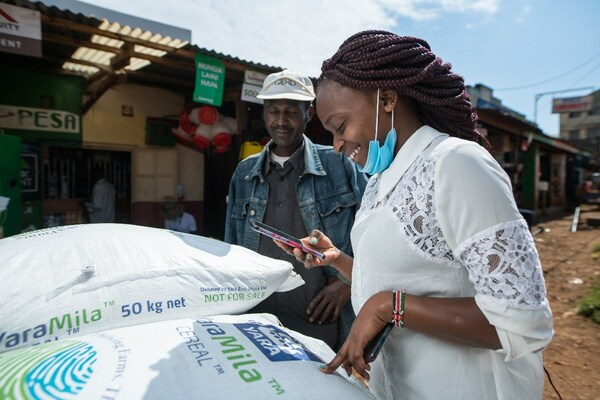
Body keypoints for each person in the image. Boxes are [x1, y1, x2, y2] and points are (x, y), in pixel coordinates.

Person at [276, 31, 554, 400]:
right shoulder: (380, 181)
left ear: (387, 99)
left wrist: (390, 307)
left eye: (340, 127)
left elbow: (522, 322)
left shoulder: (456, 164)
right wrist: (339, 260)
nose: (337, 145)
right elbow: (411, 275)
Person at [224, 70, 368, 350]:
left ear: (309, 113)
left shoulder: (340, 164)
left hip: (324, 322)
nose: (280, 121)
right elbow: (232, 249)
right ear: (263, 114)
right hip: (260, 320)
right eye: (273, 111)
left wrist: (347, 283)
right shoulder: (244, 173)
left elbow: (374, 230)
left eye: (291, 111)